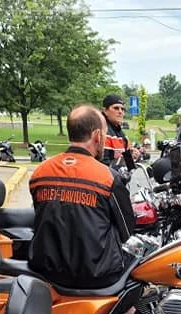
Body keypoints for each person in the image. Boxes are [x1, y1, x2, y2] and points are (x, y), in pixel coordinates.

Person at [28, 105, 135, 290]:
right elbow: (126, 230)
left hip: (47, 273)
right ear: (97, 135)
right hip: (97, 277)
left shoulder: (40, 173)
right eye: (104, 134)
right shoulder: (108, 178)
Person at [100, 93, 133, 167]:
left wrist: (133, 156)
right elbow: (103, 165)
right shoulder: (101, 131)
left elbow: (129, 166)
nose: (120, 112)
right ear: (105, 111)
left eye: (122, 109)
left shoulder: (122, 134)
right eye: (116, 108)